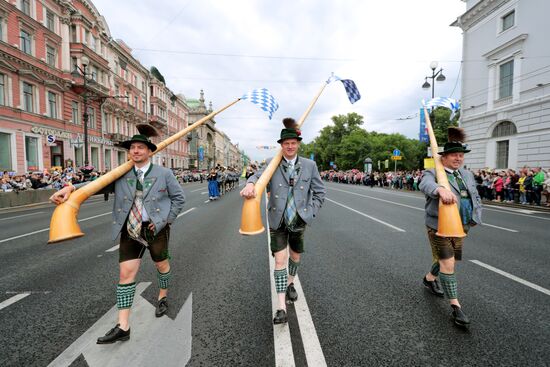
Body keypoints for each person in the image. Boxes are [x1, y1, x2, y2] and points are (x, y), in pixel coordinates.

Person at [49, 134, 185, 343]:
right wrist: (70, 188)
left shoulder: (163, 173)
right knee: (125, 275)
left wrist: (167, 220)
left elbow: (178, 198)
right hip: (130, 229)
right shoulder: (120, 173)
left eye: (141, 147)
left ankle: (162, 296)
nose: (136, 151)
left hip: (155, 228)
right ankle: (123, 326)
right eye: (132, 148)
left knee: (162, 265)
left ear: (149, 151)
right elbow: (95, 185)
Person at [240, 118, 326, 324]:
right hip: (277, 220)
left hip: (299, 220)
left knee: (295, 257)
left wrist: (310, 212)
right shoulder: (273, 163)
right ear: (281, 145)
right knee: (280, 261)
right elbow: (256, 176)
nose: (289, 146)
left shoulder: (310, 165)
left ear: (298, 144)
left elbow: (320, 192)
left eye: (293, 143)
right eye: (286, 143)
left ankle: (290, 283)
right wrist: (251, 184)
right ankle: (281, 307)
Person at [419, 127, 482, 327]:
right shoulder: (433, 172)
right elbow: (424, 184)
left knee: (447, 258)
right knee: (449, 263)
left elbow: (475, 195)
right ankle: (456, 308)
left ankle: (429, 279)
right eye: (454, 155)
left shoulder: (467, 174)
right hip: (439, 225)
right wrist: (439, 189)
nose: (458, 158)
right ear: (443, 157)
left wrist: (475, 215)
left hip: (462, 225)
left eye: (461, 155)